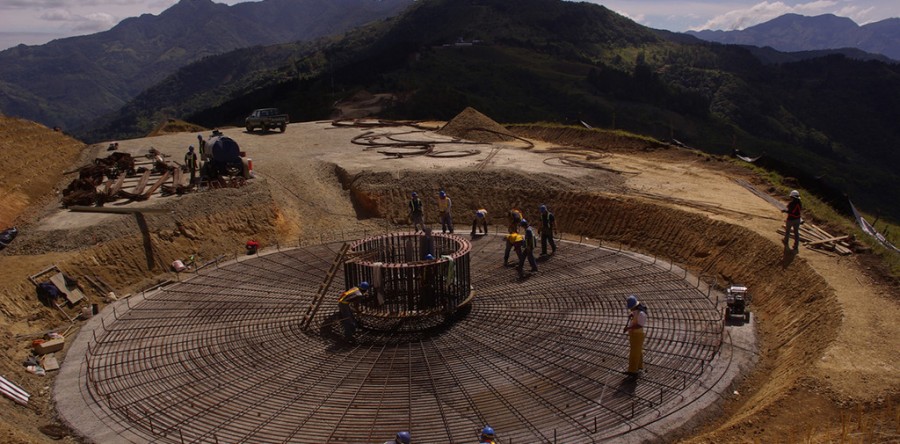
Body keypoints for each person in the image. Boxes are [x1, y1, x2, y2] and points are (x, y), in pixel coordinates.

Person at [623, 295, 647, 377]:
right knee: (638, 351)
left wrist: (629, 328)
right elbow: (633, 314)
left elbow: (639, 325)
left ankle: (632, 370)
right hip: (633, 334)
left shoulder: (642, 313)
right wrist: (631, 315)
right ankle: (639, 367)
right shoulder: (636, 310)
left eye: (631, 308)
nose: (631, 309)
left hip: (638, 335)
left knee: (634, 353)